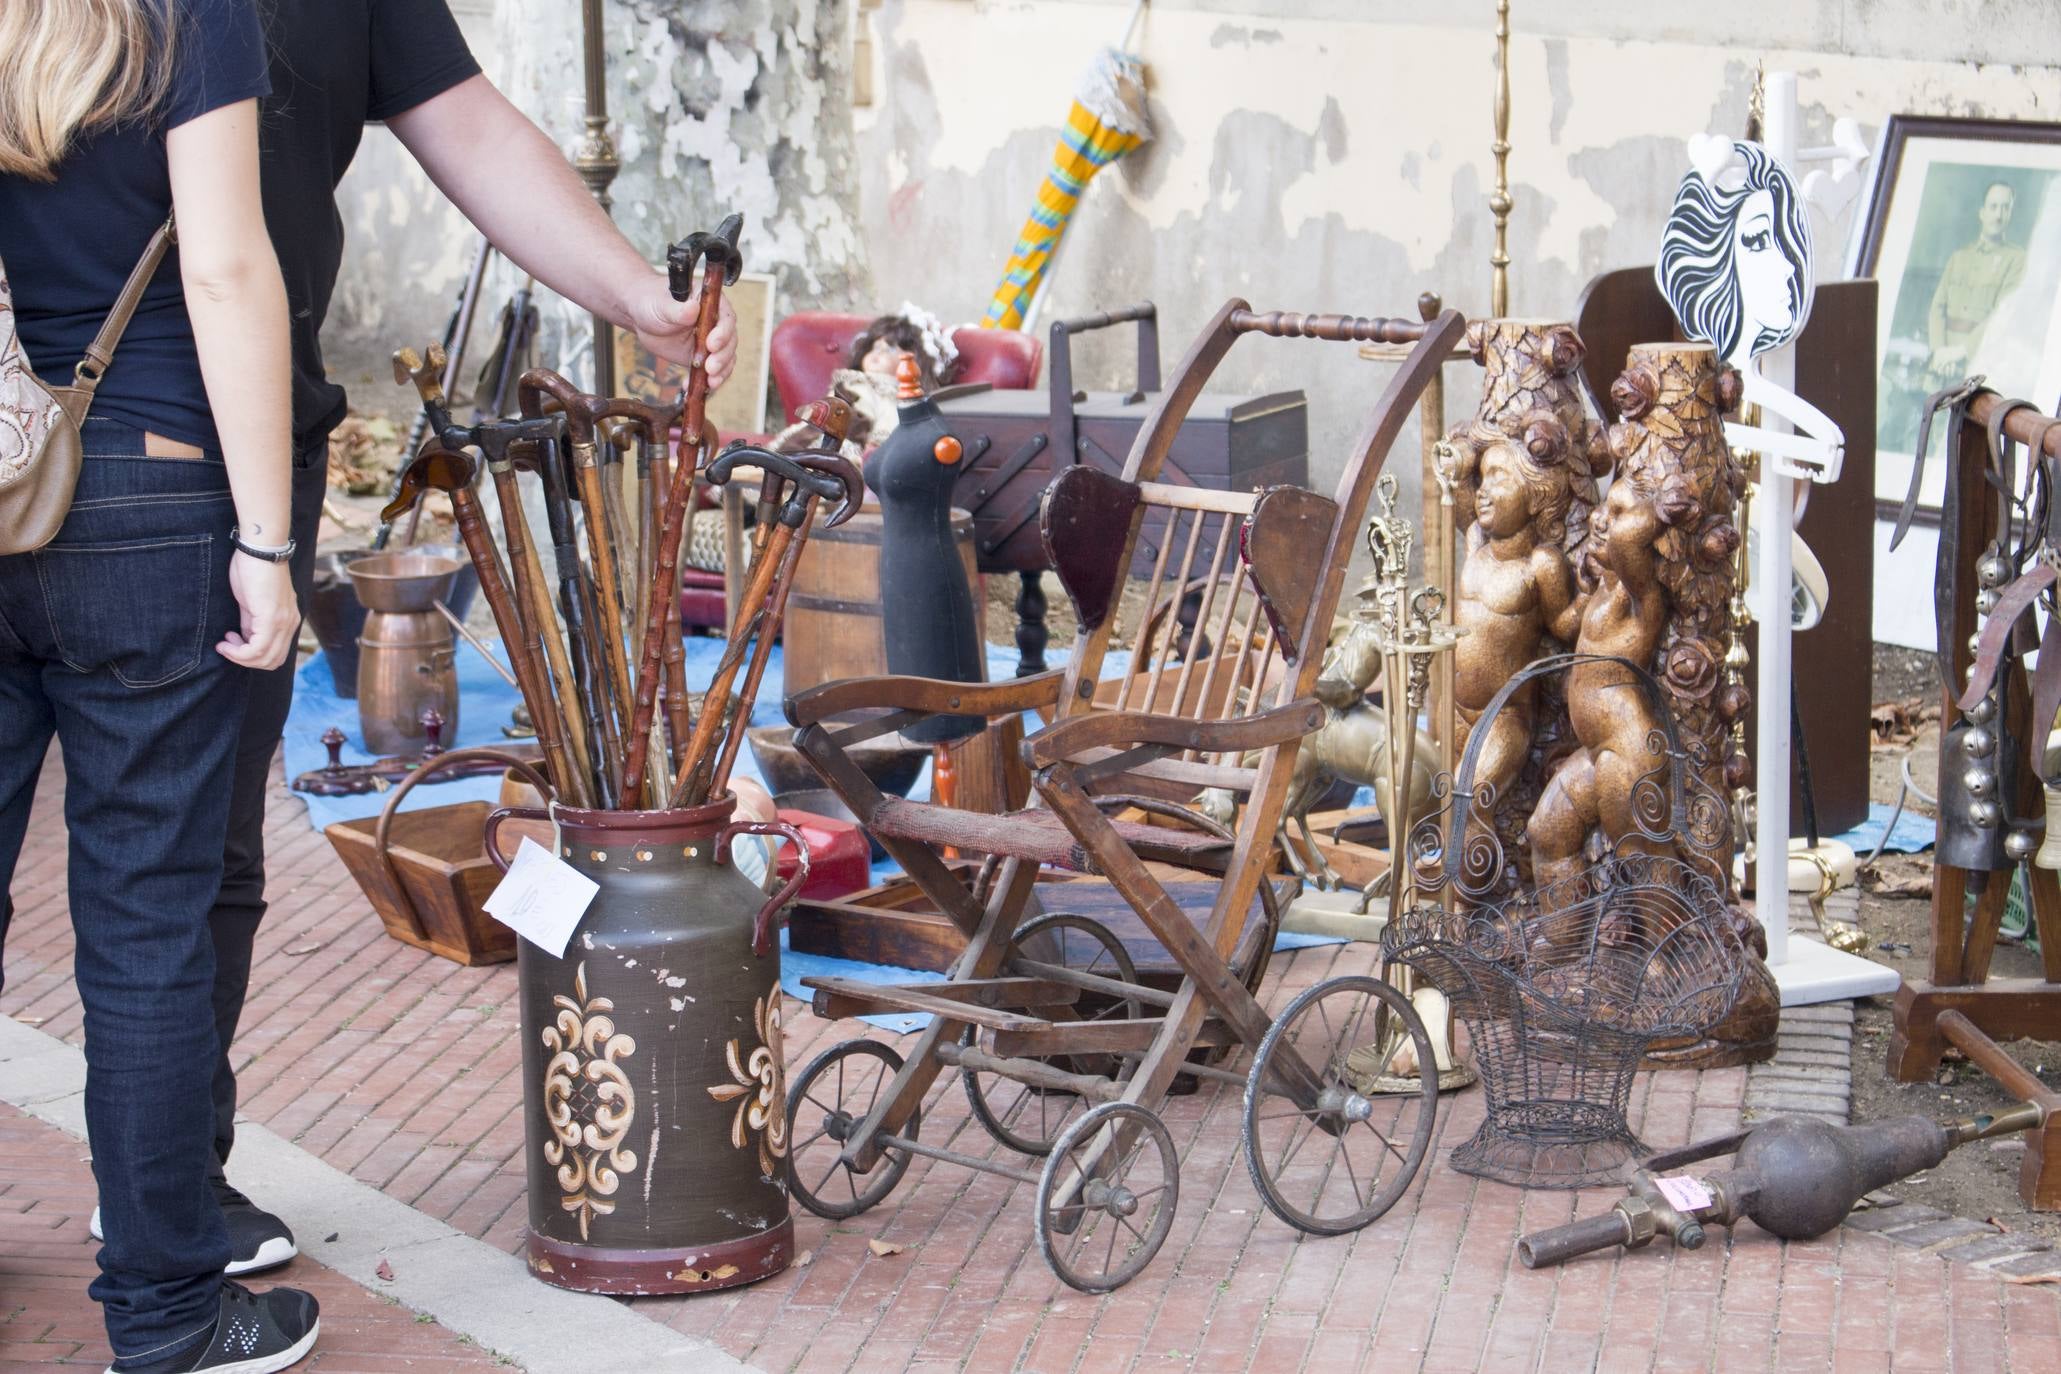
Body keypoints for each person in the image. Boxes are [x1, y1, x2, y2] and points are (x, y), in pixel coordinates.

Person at [189, 1, 742, 1281]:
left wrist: (635, 301)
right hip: (94, 438)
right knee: (149, 867)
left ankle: (166, 1186)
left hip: (237, 446)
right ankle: (162, 1224)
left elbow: (468, 121)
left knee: (196, 860)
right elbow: (214, 260)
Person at [0, 2, 319, 1370]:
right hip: (151, 487)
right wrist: (267, 540)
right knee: (144, 930)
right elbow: (230, 268)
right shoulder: (187, 14)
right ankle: (168, 1316)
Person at [1926, 179, 2026, 385]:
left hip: (1979, 362)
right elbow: (1938, 307)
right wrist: (1939, 351)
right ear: (1982, 212)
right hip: (1941, 363)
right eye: (1993, 207)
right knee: (1929, 413)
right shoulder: (1959, 257)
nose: (1998, 215)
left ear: (2010, 215)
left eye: (2005, 208)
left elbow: (2002, 315)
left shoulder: (2016, 260)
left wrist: (1961, 352)